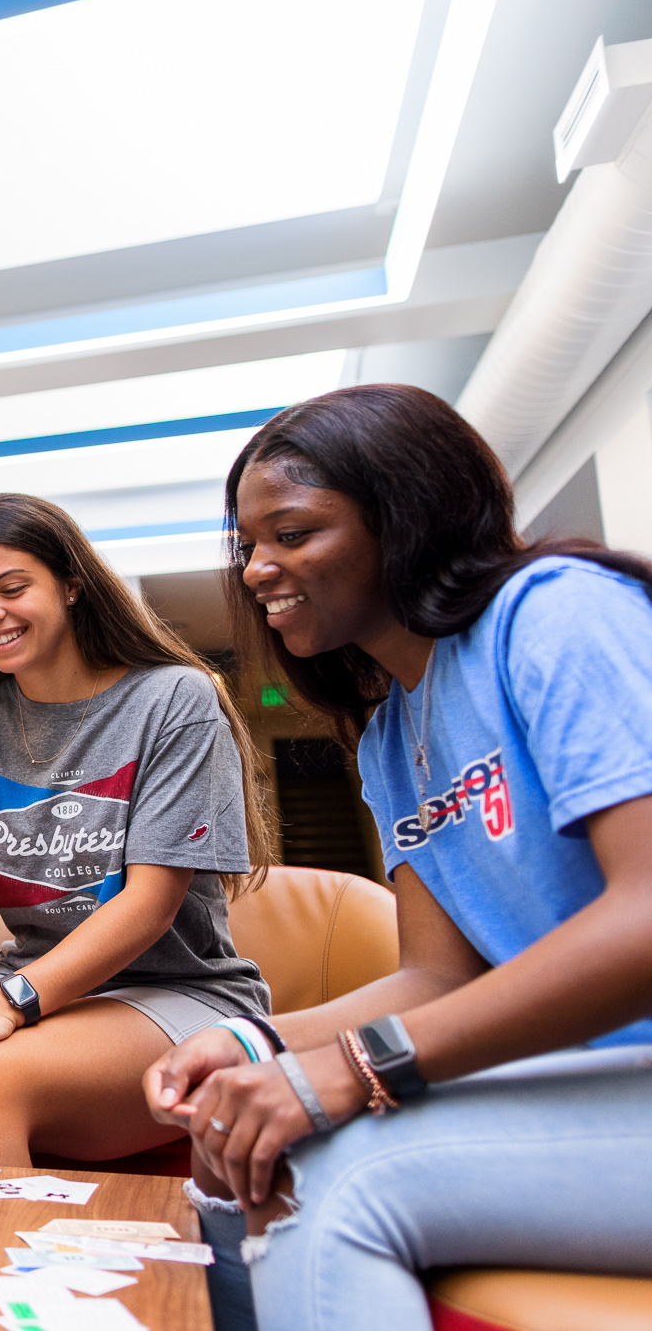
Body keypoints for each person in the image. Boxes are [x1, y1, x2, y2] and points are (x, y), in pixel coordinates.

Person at [144, 385, 652, 1331]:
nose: (258, 570)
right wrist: (258, 1042)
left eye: (292, 534)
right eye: (249, 545)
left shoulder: (555, 613)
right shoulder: (390, 734)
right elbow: (434, 978)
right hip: (582, 1082)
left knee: (339, 1175)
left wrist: (358, 1068)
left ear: (402, 515)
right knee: (234, 1144)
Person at [0, 493, 274, 1166]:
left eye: (11, 588)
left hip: (176, 992)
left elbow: (150, 904)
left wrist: (9, 1003)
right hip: (29, 982)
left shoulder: (174, 699)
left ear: (71, 585)